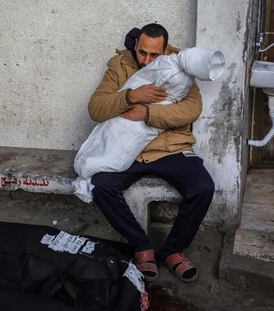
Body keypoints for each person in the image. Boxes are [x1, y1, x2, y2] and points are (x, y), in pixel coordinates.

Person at [88, 23, 215, 283]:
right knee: (100, 184)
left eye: (154, 55)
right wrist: (131, 96)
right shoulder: (119, 65)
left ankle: (173, 251)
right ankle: (141, 245)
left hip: (169, 148)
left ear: (166, 49)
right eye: (142, 52)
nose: (146, 60)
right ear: (136, 46)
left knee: (203, 187)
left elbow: (191, 110)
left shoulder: (182, 65)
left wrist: (149, 113)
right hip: (126, 152)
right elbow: (96, 108)